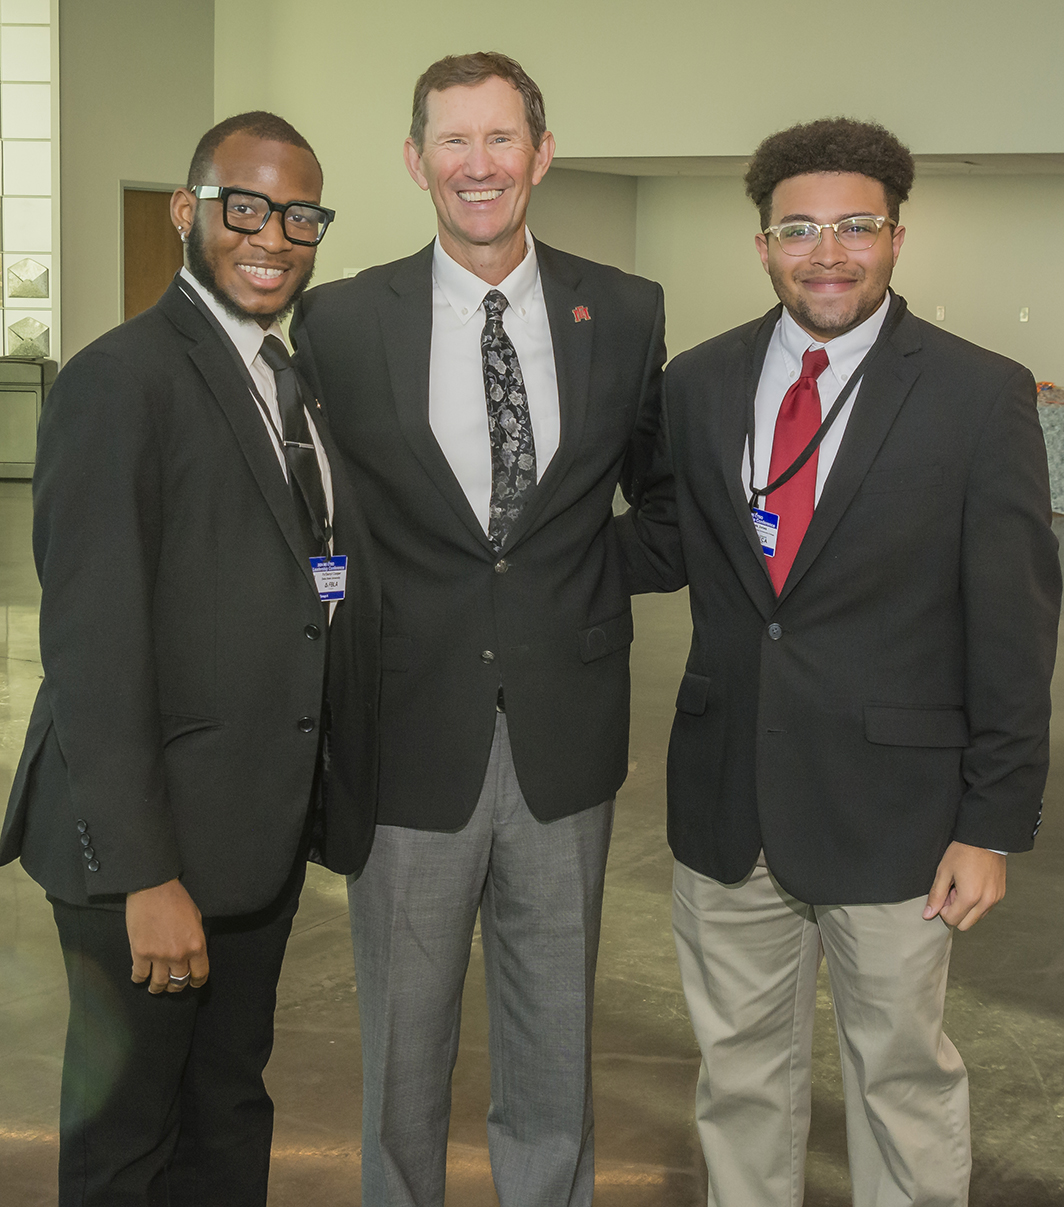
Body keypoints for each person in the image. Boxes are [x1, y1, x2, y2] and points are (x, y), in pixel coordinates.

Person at [619, 117, 1061, 1207]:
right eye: (799, 228)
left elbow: (1014, 625)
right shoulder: (699, 383)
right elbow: (670, 543)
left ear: (896, 237)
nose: (827, 251)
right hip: (727, 804)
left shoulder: (977, 394)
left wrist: (990, 820)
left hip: (899, 816)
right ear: (761, 243)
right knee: (737, 1082)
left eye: (854, 226)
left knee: (899, 1078)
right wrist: (501, 552)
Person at [292, 50, 665, 1207]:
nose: (478, 164)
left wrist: (572, 581)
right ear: (414, 162)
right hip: (407, 732)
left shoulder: (625, 308)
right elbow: (310, 516)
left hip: (566, 732)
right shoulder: (345, 320)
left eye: (500, 138)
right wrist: (349, 612)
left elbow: (661, 506)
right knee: (402, 1044)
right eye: (452, 141)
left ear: (540, 155)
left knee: (553, 1038)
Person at [0, 111, 380, 1206]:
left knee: (227, 1106)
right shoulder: (121, 380)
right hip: (150, 848)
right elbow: (92, 643)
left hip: (249, 836)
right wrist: (144, 873)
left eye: (298, 215)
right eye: (244, 207)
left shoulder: (290, 383)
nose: (272, 235)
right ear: (189, 211)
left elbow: (314, 569)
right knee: (129, 1133)